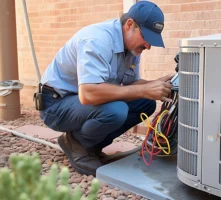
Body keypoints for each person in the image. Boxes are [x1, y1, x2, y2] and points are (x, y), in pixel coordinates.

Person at [37, 1, 174, 176]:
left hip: (79, 103)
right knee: (116, 110)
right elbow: (88, 94)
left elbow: (129, 86)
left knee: (146, 103)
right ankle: (76, 142)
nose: (148, 46)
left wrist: (155, 84)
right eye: (146, 37)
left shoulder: (131, 48)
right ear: (129, 25)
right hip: (56, 104)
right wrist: (143, 90)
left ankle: (92, 145)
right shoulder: (97, 39)